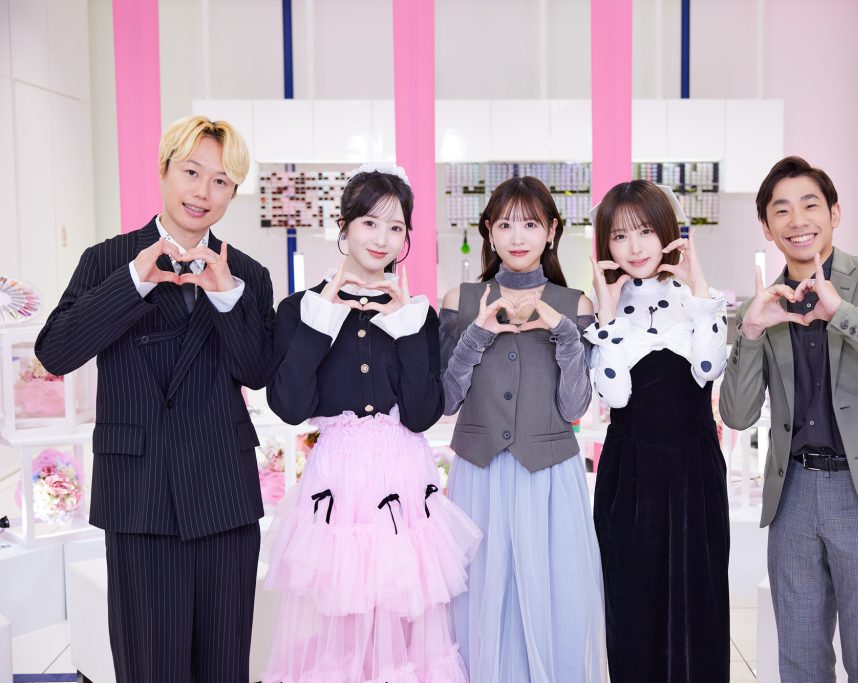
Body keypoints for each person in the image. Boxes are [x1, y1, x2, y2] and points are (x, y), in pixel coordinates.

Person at [35, 115, 274, 681]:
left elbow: (259, 371)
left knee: (224, 666)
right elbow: (56, 352)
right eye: (192, 172)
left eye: (221, 181)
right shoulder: (106, 260)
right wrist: (134, 281)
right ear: (164, 170)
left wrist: (227, 297)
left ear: (233, 193)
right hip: (140, 495)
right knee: (149, 668)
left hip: (224, 494)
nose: (203, 192)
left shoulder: (248, 274)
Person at [719, 156, 858, 683]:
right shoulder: (761, 306)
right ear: (767, 227)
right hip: (793, 495)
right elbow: (737, 414)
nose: (797, 220)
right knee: (799, 661)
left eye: (810, 205)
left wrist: (842, 313)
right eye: (781, 210)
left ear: (834, 213)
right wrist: (750, 332)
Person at [262, 164, 481, 682]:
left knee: (405, 624)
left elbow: (423, 414)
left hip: (402, 478)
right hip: (338, 480)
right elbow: (289, 405)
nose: (382, 238)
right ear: (344, 225)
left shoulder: (416, 315)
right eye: (369, 223)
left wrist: (406, 330)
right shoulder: (300, 309)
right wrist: (320, 323)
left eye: (396, 227)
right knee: (339, 621)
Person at [439, 176, 607, 682]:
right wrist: (476, 335)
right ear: (489, 231)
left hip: (549, 479)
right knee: (480, 604)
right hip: (478, 477)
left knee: (551, 602)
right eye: (506, 224)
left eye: (531, 224)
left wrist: (565, 335)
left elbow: (576, 406)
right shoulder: (461, 299)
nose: (518, 236)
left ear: (551, 231)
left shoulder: (575, 304)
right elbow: (446, 400)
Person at [586, 180, 730, 682]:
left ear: (667, 232)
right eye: (620, 235)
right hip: (630, 474)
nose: (635, 247)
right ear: (606, 244)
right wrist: (606, 313)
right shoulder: (607, 307)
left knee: (700, 601)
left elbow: (709, 366)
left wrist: (700, 288)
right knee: (633, 605)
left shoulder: (694, 300)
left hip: (694, 470)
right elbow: (615, 395)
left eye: (645, 231)